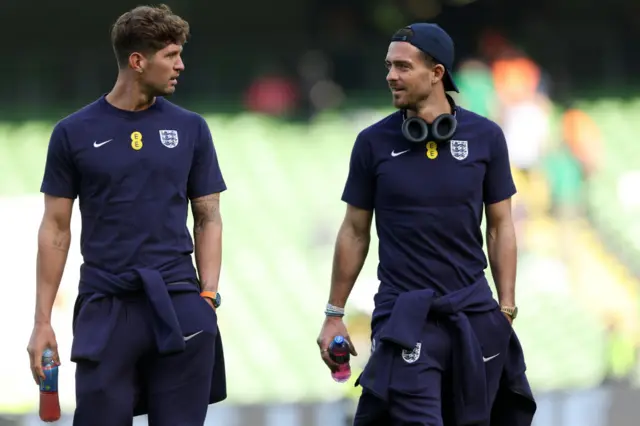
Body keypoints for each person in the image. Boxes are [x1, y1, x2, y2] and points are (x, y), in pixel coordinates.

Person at [316, 23, 536, 425]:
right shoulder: (372, 143)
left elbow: (501, 225)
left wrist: (505, 309)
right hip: (406, 317)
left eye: (402, 66)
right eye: (388, 66)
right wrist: (334, 312)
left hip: (473, 314)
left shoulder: (486, 137)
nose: (390, 76)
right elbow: (354, 231)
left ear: (437, 73)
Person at [26, 5, 227, 426]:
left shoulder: (192, 129)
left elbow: (208, 216)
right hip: (107, 306)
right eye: (171, 55)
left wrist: (206, 297)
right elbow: (56, 230)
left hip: (178, 303)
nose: (181, 65)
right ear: (138, 62)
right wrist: (42, 322)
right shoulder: (72, 132)